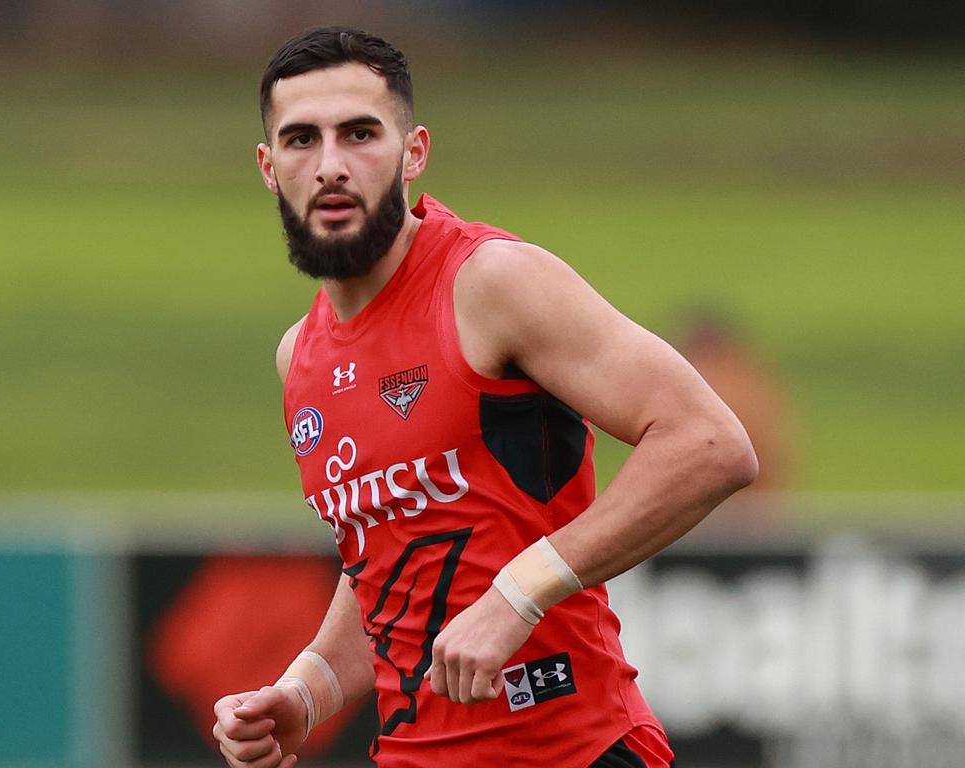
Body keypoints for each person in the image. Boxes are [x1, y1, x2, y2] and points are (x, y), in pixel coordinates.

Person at [213, 26, 757, 768]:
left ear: (414, 152)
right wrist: (305, 691)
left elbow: (709, 444)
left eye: (360, 133)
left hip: (576, 750)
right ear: (269, 167)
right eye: (302, 139)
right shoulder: (298, 358)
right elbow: (389, 559)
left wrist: (518, 593)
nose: (330, 165)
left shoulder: (489, 285)